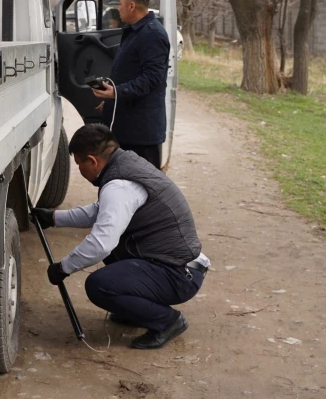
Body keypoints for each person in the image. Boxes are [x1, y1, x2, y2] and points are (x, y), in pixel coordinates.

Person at [34, 124, 209, 349]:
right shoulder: (127, 165)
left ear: (92, 161)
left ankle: (167, 321)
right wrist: (53, 218)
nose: (80, 170)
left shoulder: (119, 186)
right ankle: (136, 310)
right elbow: (101, 211)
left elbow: (101, 244)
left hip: (179, 275)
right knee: (115, 257)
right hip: (177, 265)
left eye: (79, 164)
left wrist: (63, 268)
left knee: (99, 285)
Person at [91, 0, 170, 169]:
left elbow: (152, 78)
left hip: (141, 133)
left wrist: (117, 93)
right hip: (127, 126)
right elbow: (130, 72)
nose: (118, 9)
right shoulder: (135, 31)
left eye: (120, 4)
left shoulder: (152, 34)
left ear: (132, 6)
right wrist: (111, 99)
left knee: (141, 181)